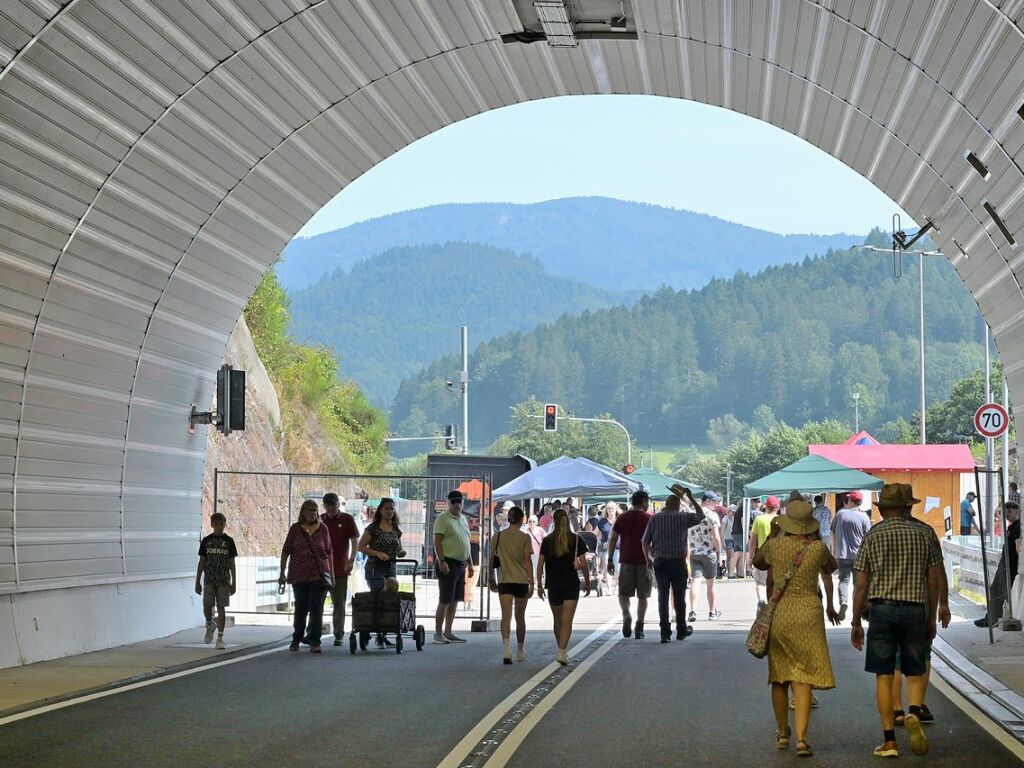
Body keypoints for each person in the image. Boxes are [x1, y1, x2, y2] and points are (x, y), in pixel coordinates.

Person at [851, 483, 944, 758]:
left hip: (881, 610)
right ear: (907, 507)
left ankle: (890, 741)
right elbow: (934, 578)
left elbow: (861, 583)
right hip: (915, 608)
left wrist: (856, 621)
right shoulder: (925, 532)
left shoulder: (874, 534)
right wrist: (932, 614)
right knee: (915, 667)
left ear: (883, 509)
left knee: (883, 672)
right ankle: (914, 711)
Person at [752, 499, 839, 757]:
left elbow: (757, 562)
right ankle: (802, 739)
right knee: (803, 678)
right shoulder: (818, 548)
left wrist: (772, 536)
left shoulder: (775, 546)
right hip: (809, 614)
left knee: (779, 676)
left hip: (781, 613)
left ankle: (782, 734)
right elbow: (831, 568)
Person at [642, 487, 705, 642]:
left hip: (660, 561)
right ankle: (681, 630)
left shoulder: (655, 519)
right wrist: (689, 497)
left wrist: (647, 559)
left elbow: (645, 541)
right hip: (678, 562)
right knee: (679, 597)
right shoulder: (682, 517)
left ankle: (664, 633)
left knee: (662, 597)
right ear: (677, 505)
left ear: (666, 504)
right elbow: (700, 515)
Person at [279, 500, 334, 654]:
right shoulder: (295, 529)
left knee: (317, 608)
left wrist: (332, 575)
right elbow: (286, 551)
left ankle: (315, 640)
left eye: (315, 510)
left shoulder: (323, 529)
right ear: (303, 512)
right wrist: (282, 572)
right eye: (309, 510)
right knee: (301, 608)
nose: (313, 513)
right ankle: (297, 638)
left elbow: (329, 552)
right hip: (299, 574)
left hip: (319, 574)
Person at [537, 508, 591, 664]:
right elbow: (584, 564)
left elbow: (540, 565)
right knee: (567, 621)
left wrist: (539, 585)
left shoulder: (547, 541)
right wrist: (587, 582)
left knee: (558, 620)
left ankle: (561, 649)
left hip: (553, 585)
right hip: (570, 584)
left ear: (553, 520)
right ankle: (562, 651)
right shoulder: (576, 539)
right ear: (567, 519)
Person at [488, 506, 534, 663]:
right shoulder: (525, 538)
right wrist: (533, 582)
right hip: (521, 581)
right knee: (520, 617)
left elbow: (491, 560)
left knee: (505, 616)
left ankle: (506, 650)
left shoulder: (498, 536)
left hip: (504, 581)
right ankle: (520, 649)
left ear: (509, 519)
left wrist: (490, 579)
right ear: (523, 519)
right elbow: (527, 562)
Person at [358, 497, 404, 647]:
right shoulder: (373, 528)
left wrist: (401, 552)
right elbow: (361, 546)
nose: (389, 511)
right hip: (374, 568)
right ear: (380, 510)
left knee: (389, 599)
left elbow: (398, 548)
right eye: (386, 508)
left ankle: (383, 634)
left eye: (392, 508)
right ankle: (377, 634)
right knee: (378, 597)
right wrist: (376, 553)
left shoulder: (395, 528)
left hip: (390, 568)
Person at [608, 490, 654, 639]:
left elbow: (613, 539)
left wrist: (609, 559)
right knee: (643, 596)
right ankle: (639, 626)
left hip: (626, 560)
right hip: (645, 561)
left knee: (623, 593)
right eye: (647, 502)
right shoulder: (649, 518)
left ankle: (626, 614)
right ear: (643, 502)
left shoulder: (622, 517)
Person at [433, 490, 473, 644]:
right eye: (454, 501)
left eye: (459, 501)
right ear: (448, 503)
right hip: (448, 563)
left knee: (455, 599)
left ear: (463, 503)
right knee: (444, 599)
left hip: (461, 563)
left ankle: (448, 631)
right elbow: (437, 542)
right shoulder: (443, 519)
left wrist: (469, 563)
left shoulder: (463, 519)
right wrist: (442, 561)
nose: (457, 504)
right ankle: (438, 633)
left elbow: (466, 542)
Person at [195, 511, 237, 651]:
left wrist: (234, 582)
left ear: (225, 525)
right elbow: (201, 562)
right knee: (207, 605)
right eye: (216, 524)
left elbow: (232, 563)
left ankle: (220, 638)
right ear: (212, 525)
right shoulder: (207, 541)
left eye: (221, 524)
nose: (219, 526)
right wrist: (197, 581)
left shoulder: (229, 542)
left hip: (223, 580)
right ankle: (209, 624)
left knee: (221, 607)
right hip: (209, 579)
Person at [321, 492, 359, 646]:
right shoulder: (320, 519)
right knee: (317, 602)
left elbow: (355, 540)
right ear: (324, 506)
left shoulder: (347, 519)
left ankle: (338, 634)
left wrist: (351, 559)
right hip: (321, 568)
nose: (331, 508)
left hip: (340, 568)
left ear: (338, 504)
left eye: (334, 504)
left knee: (339, 602)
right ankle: (312, 632)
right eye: (328, 505)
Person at [976, 500, 1020, 627]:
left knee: (1001, 590)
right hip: (1006, 562)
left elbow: (1018, 546)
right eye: (1006, 512)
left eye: (1010, 512)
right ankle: (992, 616)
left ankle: (995, 617)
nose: (1007, 515)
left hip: (1011, 564)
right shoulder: (1011, 527)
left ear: (1018, 512)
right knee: (996, 589)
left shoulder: (1017, 527)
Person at [831, 491, 871, 622]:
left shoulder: (840, 514)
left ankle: (844, 602)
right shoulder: (865, 517)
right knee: (858, 584)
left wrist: (834, 551)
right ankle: (857, 609)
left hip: (842, 555)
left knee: (843, 581)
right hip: (859, 556)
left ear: (850, 501)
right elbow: (868, 538)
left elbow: (833, 534)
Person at [688, 491, 722, 622]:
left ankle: (693, 611)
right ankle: (712, 612)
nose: (716, 504)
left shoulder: (692, 514)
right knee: (710, 583)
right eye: (714, 501)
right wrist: (719, 551)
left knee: (695, 581)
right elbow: (716, 536)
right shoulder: (712, 515)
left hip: (694, 552)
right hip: (709, 553)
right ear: (707, 501)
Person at [749, 496, 780, 607]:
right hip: (778, 557)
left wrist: (751, 557)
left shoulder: (759, 519)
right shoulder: (783, 521)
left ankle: (762, 600)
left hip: (762, 556)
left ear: (766, 506)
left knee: (760, 583)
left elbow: (752, 541)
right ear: (778, 508)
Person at [730, 501, 749, 578]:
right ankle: (749, 571)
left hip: (735, 533)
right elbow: (743, 522)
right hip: (740, 534)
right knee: (746, 552)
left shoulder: (739, 510)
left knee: (738, 553)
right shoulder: (742, 510)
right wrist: (746, 534)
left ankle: (738, 573)